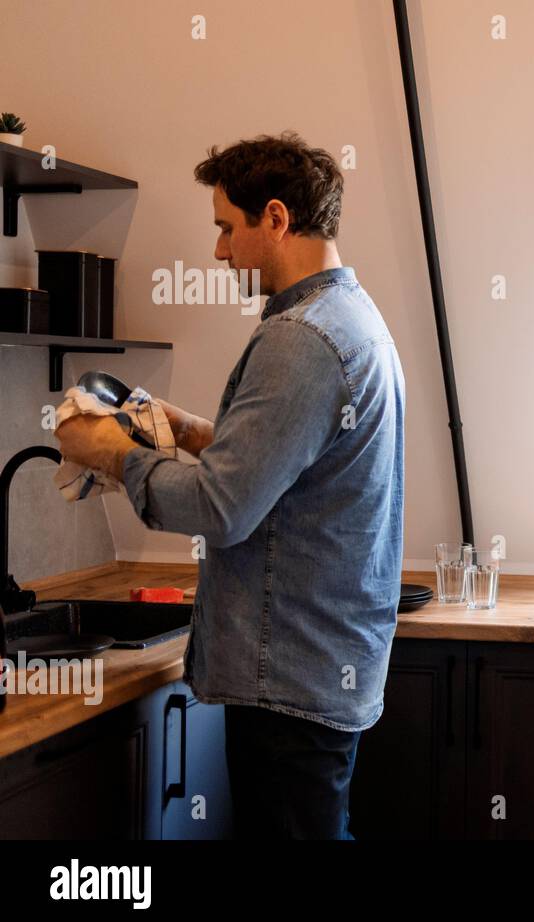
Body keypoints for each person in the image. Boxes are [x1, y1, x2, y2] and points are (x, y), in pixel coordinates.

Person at [54, 132, 406, 839]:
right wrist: (188, 430)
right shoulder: (353, 319)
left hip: (290, 681)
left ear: (275, 218)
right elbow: (294, 467)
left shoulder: (301, 340)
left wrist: (109, 454)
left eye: (225, 226)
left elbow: (221, 507)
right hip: (324, 669)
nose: (219, 251)